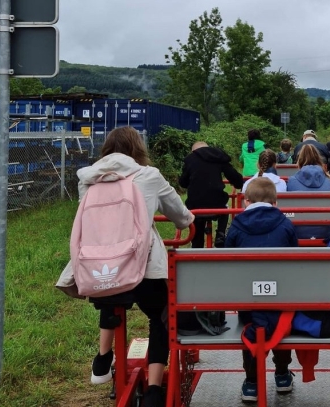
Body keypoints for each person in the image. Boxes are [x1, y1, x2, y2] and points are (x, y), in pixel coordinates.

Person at [78, 127, 194, 407]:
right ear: (137, 149)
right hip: (143, 268)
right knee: (162, 315)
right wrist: (184, 222)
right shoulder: (149, 176)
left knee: (110, 290)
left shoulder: (87, 178)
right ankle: (154, 389)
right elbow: (180, 215)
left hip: (99, 266)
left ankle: (103, 359)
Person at [225, 178, 298, 402]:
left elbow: (227, 261)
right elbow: (296, 259)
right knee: (281, 318)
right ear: (275, 201)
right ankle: (283, 375)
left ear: (245, 200)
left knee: (253, 320)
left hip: (247, 298)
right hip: (281, 296)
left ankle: (252, 382)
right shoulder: (286, 225)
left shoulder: (236, 226)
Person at [179, 141, 244, 248]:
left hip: (196, 206)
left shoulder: (190, 159)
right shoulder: (218, 157)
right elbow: (235, 177)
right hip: (217, 204)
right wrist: (238, 183)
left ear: (193, 151)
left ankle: (197, 244)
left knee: (196, 218)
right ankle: (220, 234)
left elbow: (183, 182)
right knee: (225, 207)